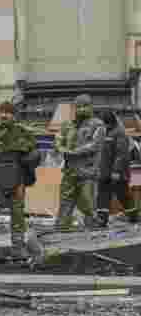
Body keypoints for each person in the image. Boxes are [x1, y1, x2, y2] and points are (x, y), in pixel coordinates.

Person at [0, 101, 39, 258]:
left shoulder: (23, 132)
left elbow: (35, 152)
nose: (4, 115)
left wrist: (27, 155)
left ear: (14, 115)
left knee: (17, 216)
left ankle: (17, 247)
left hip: (17, 181)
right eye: (2, 112)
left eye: (8, 112)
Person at [55, 94, 106, 231]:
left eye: (85, 106)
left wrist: (74, 152)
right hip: (70, 169)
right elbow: (59, 137)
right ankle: (63, 224)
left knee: (87, 200)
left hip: (87, 170)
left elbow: (95, 145)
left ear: (91, 107)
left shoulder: (98, 125)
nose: (81, 109)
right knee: (66, 198)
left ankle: (92, 225)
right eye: (78, 107)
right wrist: (60, 146)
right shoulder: (69, 124)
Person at [96, 110, 138, 227]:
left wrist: (116, 171)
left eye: (104, 123)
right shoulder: (105, 133)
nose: (103, 125)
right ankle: (101, 220)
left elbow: (122, 155)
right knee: (103, 195)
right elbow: (101, 153)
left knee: (123, 195)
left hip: (117, 173)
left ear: (110, 122)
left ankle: (134, 216)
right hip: (104, 172)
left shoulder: (120, 134)